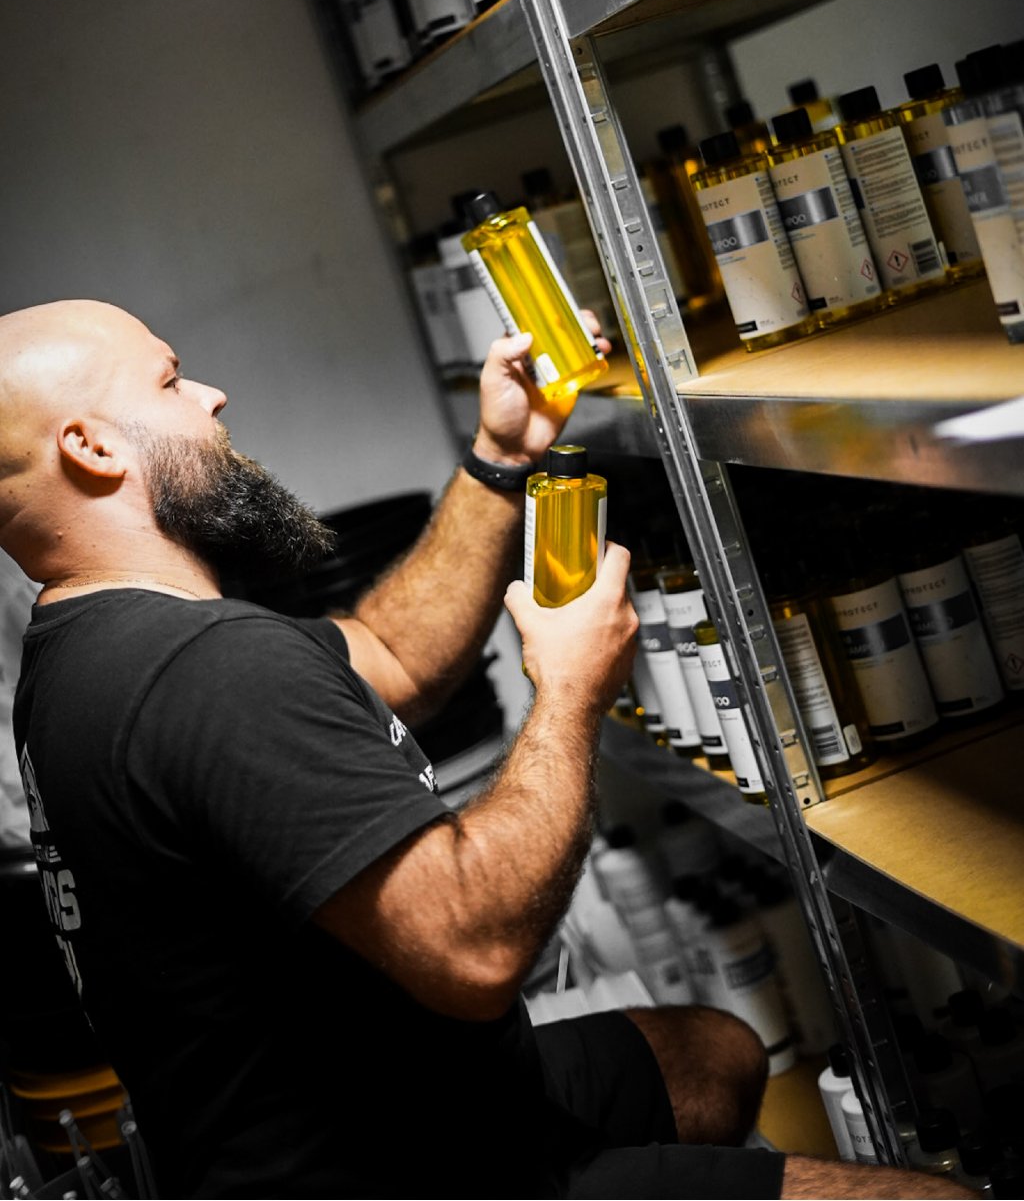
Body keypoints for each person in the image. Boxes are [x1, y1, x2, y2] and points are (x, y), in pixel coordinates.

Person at [0, 300, 967, 1201]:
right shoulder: (205, 670)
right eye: (171, 381)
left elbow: (391, 653)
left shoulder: (85, 647)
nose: (212, 396)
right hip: (400, 1174)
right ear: (92, 447)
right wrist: (571, 687)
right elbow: (475, 949)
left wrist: (502, 456)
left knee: (713, 1053)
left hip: (402, 1105)